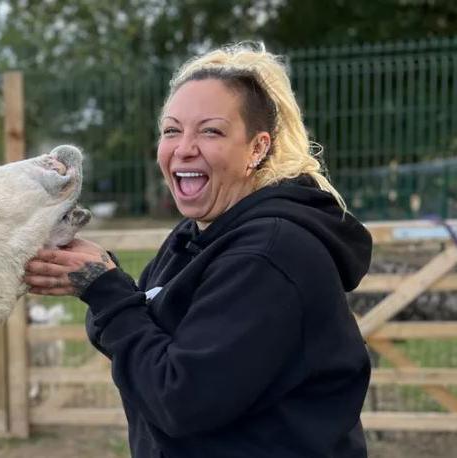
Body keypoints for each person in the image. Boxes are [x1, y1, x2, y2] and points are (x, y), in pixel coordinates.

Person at [24, 43, 372, 457]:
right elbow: (137, 343)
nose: (184, 147)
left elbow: (180, 401)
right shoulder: (194, 237)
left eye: (210, 131)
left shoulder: (270, 255)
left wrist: (108, 292)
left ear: (258, 148)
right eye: (172, 130)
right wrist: (105, 283)